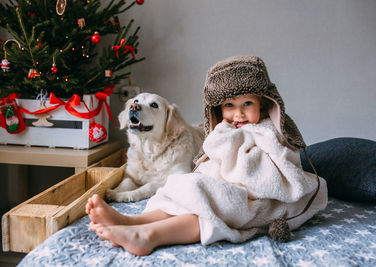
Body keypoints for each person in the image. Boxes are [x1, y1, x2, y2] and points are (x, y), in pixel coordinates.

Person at [86, 55, 328, 256]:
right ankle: (131, 221)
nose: (238, 114)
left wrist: (223, 182)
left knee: (206, 209)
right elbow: (209, 162)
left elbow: (278, 172)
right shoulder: (221, 130)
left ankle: (148, 235)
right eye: (229, 106)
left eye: (247, 104)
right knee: (185, 189)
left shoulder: (270, 132)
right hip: (224, 189)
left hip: (255, 199)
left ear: (264, 105)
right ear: (218, 108)